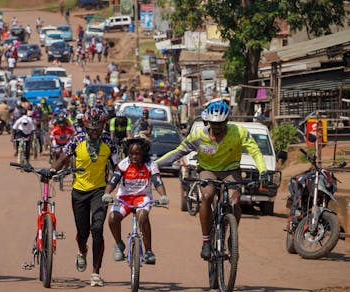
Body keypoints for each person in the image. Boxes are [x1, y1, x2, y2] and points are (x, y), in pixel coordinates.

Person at [156, 100, 267, 260]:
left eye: (221, 124)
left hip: (231, 170)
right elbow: (177, 152)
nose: (217, 127)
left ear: (227, 121)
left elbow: (255, 151)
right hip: (208, 170)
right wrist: (154, 165)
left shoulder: (239, 132)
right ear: (207, 122)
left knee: (234, 202)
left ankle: (231, 237)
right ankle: (206, 240)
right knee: (207, 196)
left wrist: (262, 169)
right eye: (214, 124)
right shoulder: (198, 135)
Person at [51, 108, 118, 287]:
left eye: (98, 127)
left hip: (99, 191)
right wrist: (51, 170)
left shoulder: (109, 144)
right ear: (86, 126)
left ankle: (96, 272)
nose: (95, 131)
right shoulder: (77, 141)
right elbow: (63, 157)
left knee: (97, 229)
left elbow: (118, 166)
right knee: (83, 233)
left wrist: (123, 180)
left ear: (103, 126)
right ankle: (82, 251)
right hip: (79, 192)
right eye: (91, 128)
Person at [102, 138, 168, 264]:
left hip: (142, 197)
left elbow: (157, 181)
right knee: (112, 218)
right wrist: (107, 193)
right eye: (131, 153)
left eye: (137, 154)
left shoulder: (151, 165)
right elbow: (113, 181)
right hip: (124, 198)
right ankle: (119, 244)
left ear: (143, 154)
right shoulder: (123, 164)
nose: (133, 156)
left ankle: (148, 251)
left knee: (142, 216)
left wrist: (163, 196)